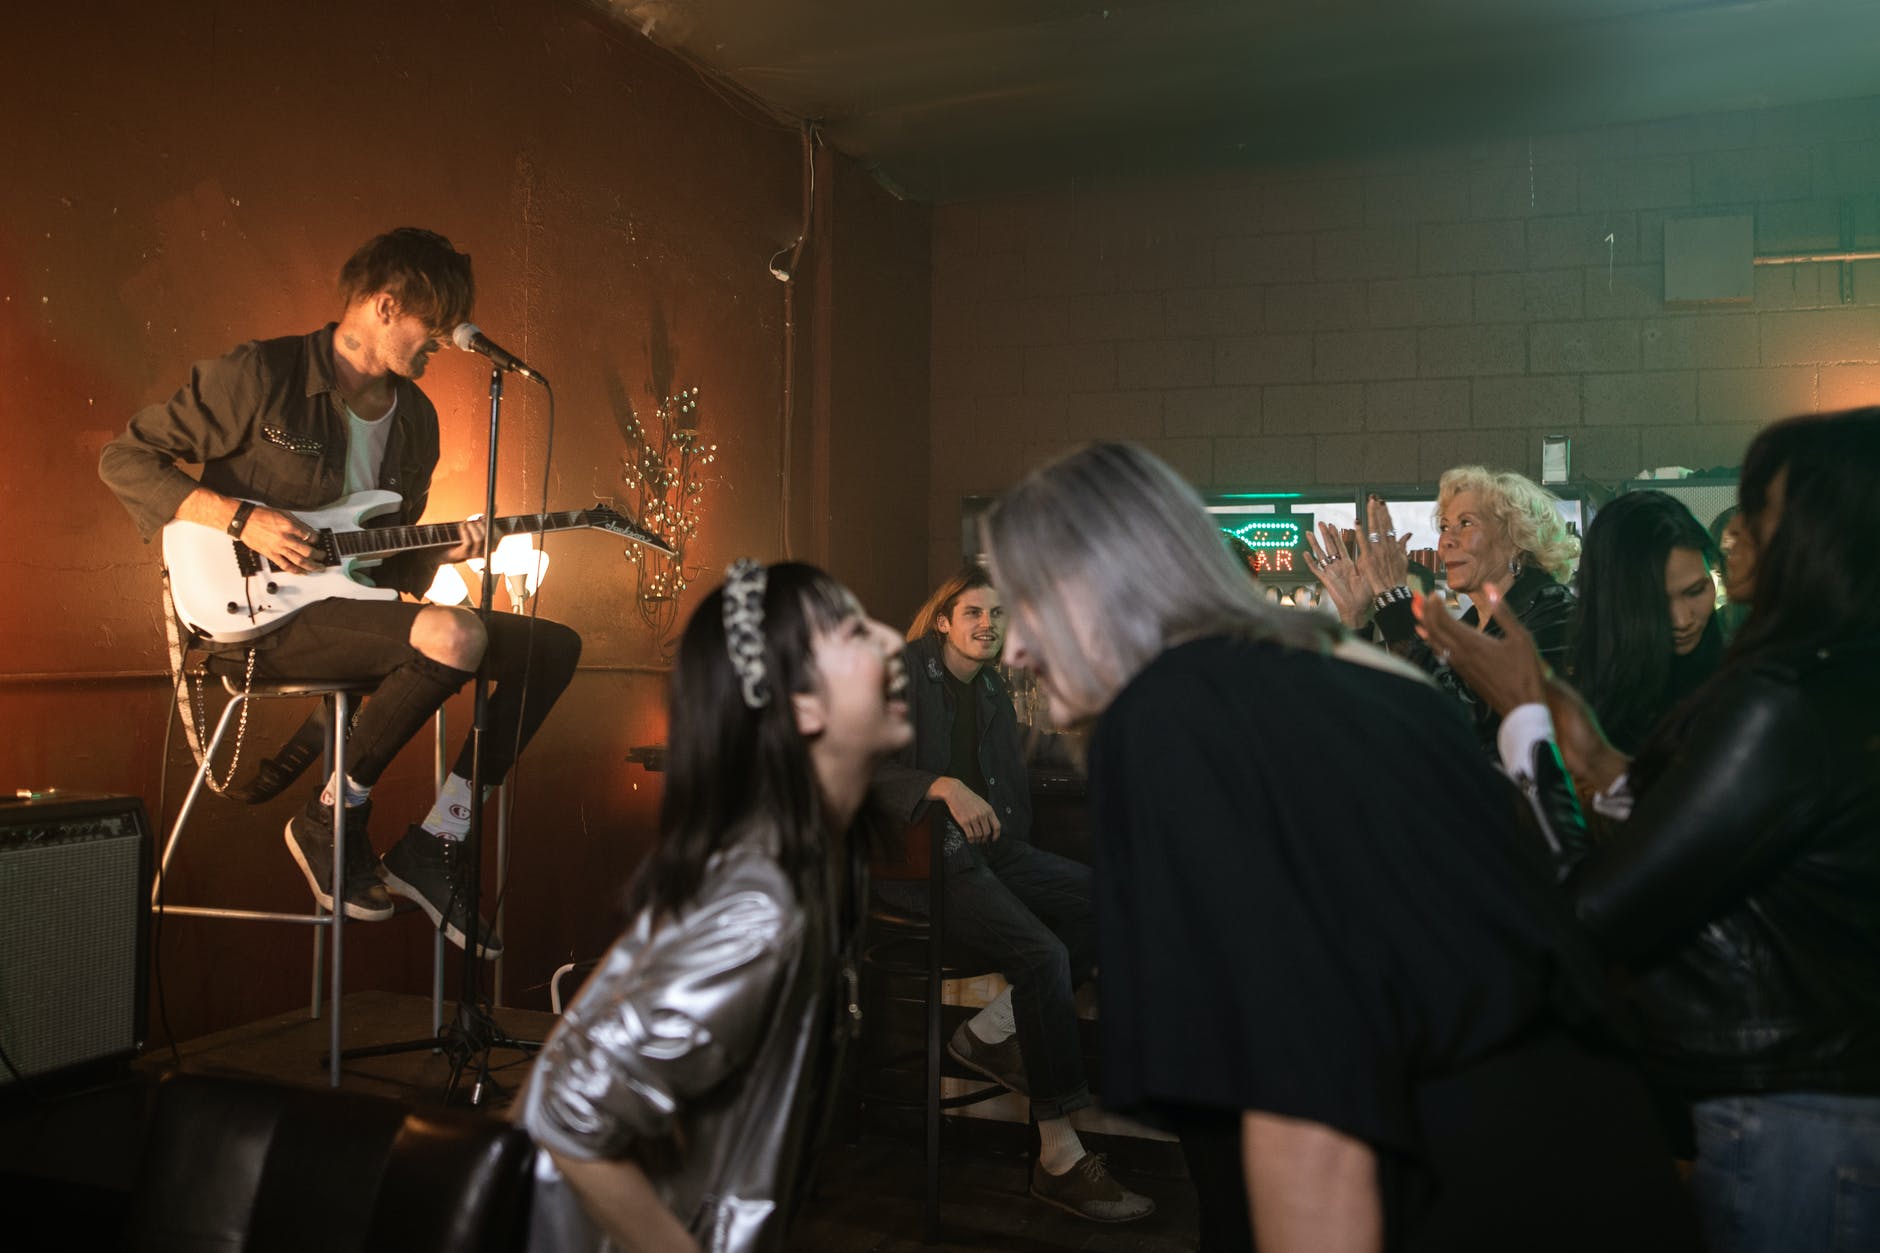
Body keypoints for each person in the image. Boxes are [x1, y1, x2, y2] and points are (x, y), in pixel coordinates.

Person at [984, 442, 1697, 1253]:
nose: (1013, 648)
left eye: (1027, 604)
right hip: (1594, 1157)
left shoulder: (1169, 713)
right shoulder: (1347, 662)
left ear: (1094, 588)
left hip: (1464, 1189)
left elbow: (1308, 1103)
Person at [1419, 409, 1880, 1253]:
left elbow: (1591, 911)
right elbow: (1715, 834)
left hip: (1796, 1120)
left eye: (1759, 508)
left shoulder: (1780, 700)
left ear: (1823, 528)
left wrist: (1526, 726)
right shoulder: (1830, 679)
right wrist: (1591, 750)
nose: (1733, 531)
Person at [99, 227, 582, 956]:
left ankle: (438, 837)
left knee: (551, 646)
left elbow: (387, 578)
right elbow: (125, 459)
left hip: (346, 612)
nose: (441, 346)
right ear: (385, 306)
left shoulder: (416, 420)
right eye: (433, 327)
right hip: (255, 621)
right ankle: (331, 818)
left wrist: (443, 549)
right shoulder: (263, 374)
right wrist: (240, 517)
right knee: (455, 635)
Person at [517, 561, 911, 1253]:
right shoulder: (759, 907)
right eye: (855, 630)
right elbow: (566, 1107)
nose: (891, 638)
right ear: (801, 705)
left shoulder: (819, 857)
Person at [872, 565, 1154, 1222]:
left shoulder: (991, 686)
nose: (987, 625)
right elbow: (857, 762)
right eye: (973, 612)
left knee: (1111, 902)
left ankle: (989, 1031)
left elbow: (1035, 749)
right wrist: (939, 784)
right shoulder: (901, 671)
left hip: (989, 853)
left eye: (997, 615)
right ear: (943, 618)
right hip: (923, 865)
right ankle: (1059, 1157)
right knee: (1044, 955)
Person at [1307, 471, 1578, 751]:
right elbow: (1387, 720)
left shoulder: (1556, 616)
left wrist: (1394, 599)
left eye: (1466, 523)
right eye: (1445, 527)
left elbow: (1462, 726)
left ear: (1517, 539)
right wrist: (1355, 620)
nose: (1446, 541)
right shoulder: (1469, 627)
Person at [1565, 490, 1723, 755]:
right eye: (1656, 603)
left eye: (1695, 591)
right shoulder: (1574, 697)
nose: (1682, 620)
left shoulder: (1736, 683)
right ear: (1610, 599)